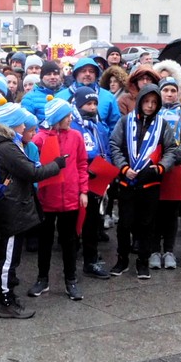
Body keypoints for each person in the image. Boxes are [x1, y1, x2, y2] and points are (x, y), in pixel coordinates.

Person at [0, 101, 63, 318]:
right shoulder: (6, 146)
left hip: (10, 205)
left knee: (9, 256)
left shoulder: (0, 143)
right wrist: (57, 165)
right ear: (13, 124)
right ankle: (4, 299)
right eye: (21, 124)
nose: (25, 128)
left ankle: (6, 295)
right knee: (7, 258)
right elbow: (30, 172)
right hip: (12, 208)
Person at [109, 84, 175, 279]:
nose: (150, 106)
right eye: (146, 101)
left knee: (146, 224)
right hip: (127, 181)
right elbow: (114, 144)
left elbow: (172, 149)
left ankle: (143, 262)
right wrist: (123, 167)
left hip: (150, 182)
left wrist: (161, 167)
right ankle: (122, 259)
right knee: (124, 224)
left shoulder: (162, 124)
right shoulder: (125, 121)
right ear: (140, 102)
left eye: (154, 103)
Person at [29, 97, 88, 301]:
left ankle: (70, 280)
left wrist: (83, 191)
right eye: (66, 116)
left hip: (71, 198)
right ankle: (42, 278)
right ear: (57, 118)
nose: (70, 118)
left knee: (69, 241)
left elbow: (82, 164)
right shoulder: (40, 139)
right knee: (44, 241)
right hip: (47, 199)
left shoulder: (76, 136)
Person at [149, 78, 181, 270]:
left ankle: (168, 251)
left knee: (171, 213)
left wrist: (175, 156)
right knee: (154, 211)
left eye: (173, 90)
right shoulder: (153, 113)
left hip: (175, 167)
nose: (169, 94)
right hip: (153, 167)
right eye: (165, 90)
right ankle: (154, 250)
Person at [73, 86, 111, 280]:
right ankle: (77, 258)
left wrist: (107, 169)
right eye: (88, 103)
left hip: (98, 180)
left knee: (93, 221)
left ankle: (91, 259)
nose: (92, 107)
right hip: (81, 181)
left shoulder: (99, 126)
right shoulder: (74, 126)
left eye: (95, 103)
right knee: (78, 221)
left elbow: (107, 149)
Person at [58, 57, 121, 130]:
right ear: (76, 74)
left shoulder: (108, 97)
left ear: (96, 75)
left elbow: (115, 126)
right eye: (83, 71)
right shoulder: (61, 97)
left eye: (91, 71)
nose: (87, 74)